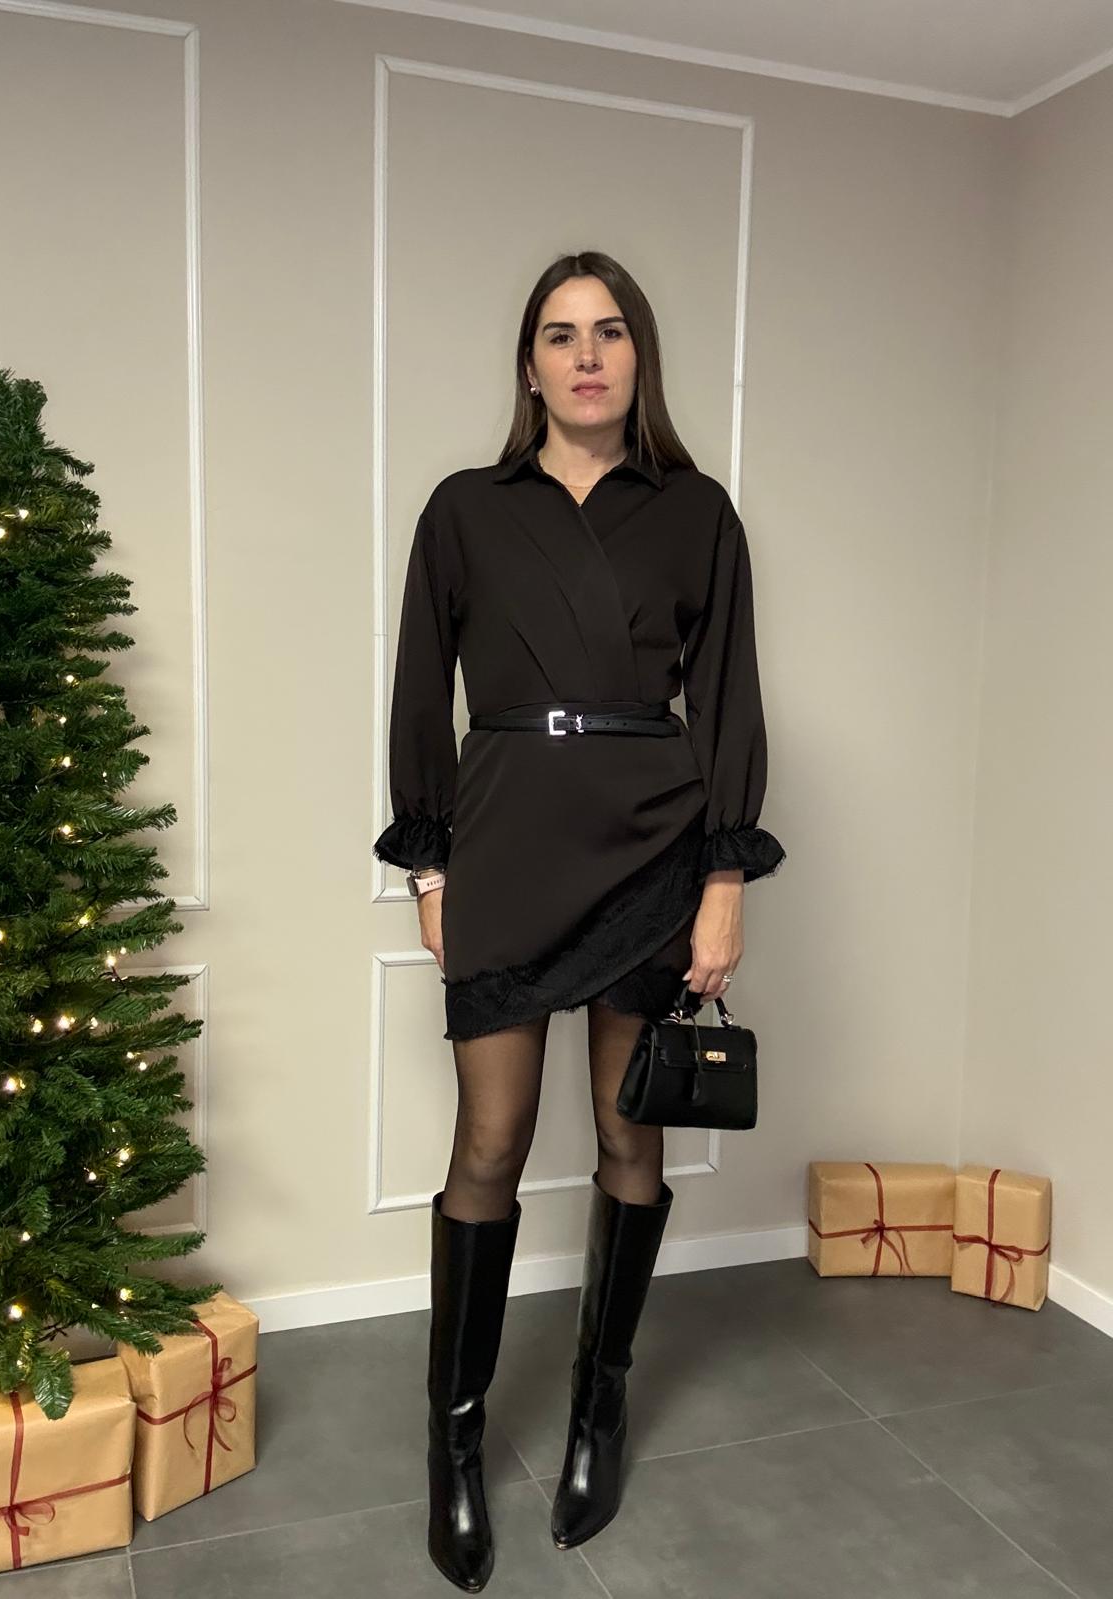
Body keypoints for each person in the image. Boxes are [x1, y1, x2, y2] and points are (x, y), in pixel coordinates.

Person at [373, 250, 785, 1592]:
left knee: (626, 1131)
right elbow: (418, 691)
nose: (587, 355)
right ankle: (454, 1439)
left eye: (610, 331)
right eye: (560, 334)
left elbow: (727, 700)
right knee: (488, 1140)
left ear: (638, 355)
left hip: (654, 844)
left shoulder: (696, 512)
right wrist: (429, 870)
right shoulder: (465, 508)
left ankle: (599, 1408)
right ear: (531, 364)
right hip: (504, 838)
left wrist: (724, 880)